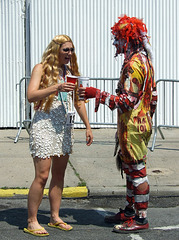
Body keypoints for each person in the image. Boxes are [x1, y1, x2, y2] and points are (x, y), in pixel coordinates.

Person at [79, 15, 157, 233]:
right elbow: (153, 96)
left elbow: (126, 102)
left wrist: (97, 94)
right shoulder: (144, 59)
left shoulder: (134, 63)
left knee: (137, 171)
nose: (114, 43)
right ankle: (131, 211)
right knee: (131, 169)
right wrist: (147, 118)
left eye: (117, 39)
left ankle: (141, 218)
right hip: (136, 125)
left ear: (128, 39)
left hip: (133, 127)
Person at [24, 35, 93, 237]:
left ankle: (54, 217)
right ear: (56, 50)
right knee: (42, 175)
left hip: (64, 128)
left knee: (59, 174)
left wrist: (88, 126)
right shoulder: (41, 68)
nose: (69, 54)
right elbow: (31, 96)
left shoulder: (70, 72)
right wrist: (56, 87)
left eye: (71, 50)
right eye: (66, 50)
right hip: (44, 126)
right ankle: (31, 220)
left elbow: (78, 102)